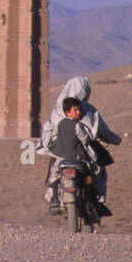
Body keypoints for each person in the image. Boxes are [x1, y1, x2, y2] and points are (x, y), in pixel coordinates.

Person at [39, 75, 121, 216]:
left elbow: (47, 131)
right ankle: (98, 201)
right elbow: (103, 132)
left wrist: (47, 146)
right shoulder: (88, 110)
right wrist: (115, 140)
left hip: (60, 152)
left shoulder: (58, 110)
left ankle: (53, 198)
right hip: (82, 153)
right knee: (99, 170)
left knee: (54, 169)